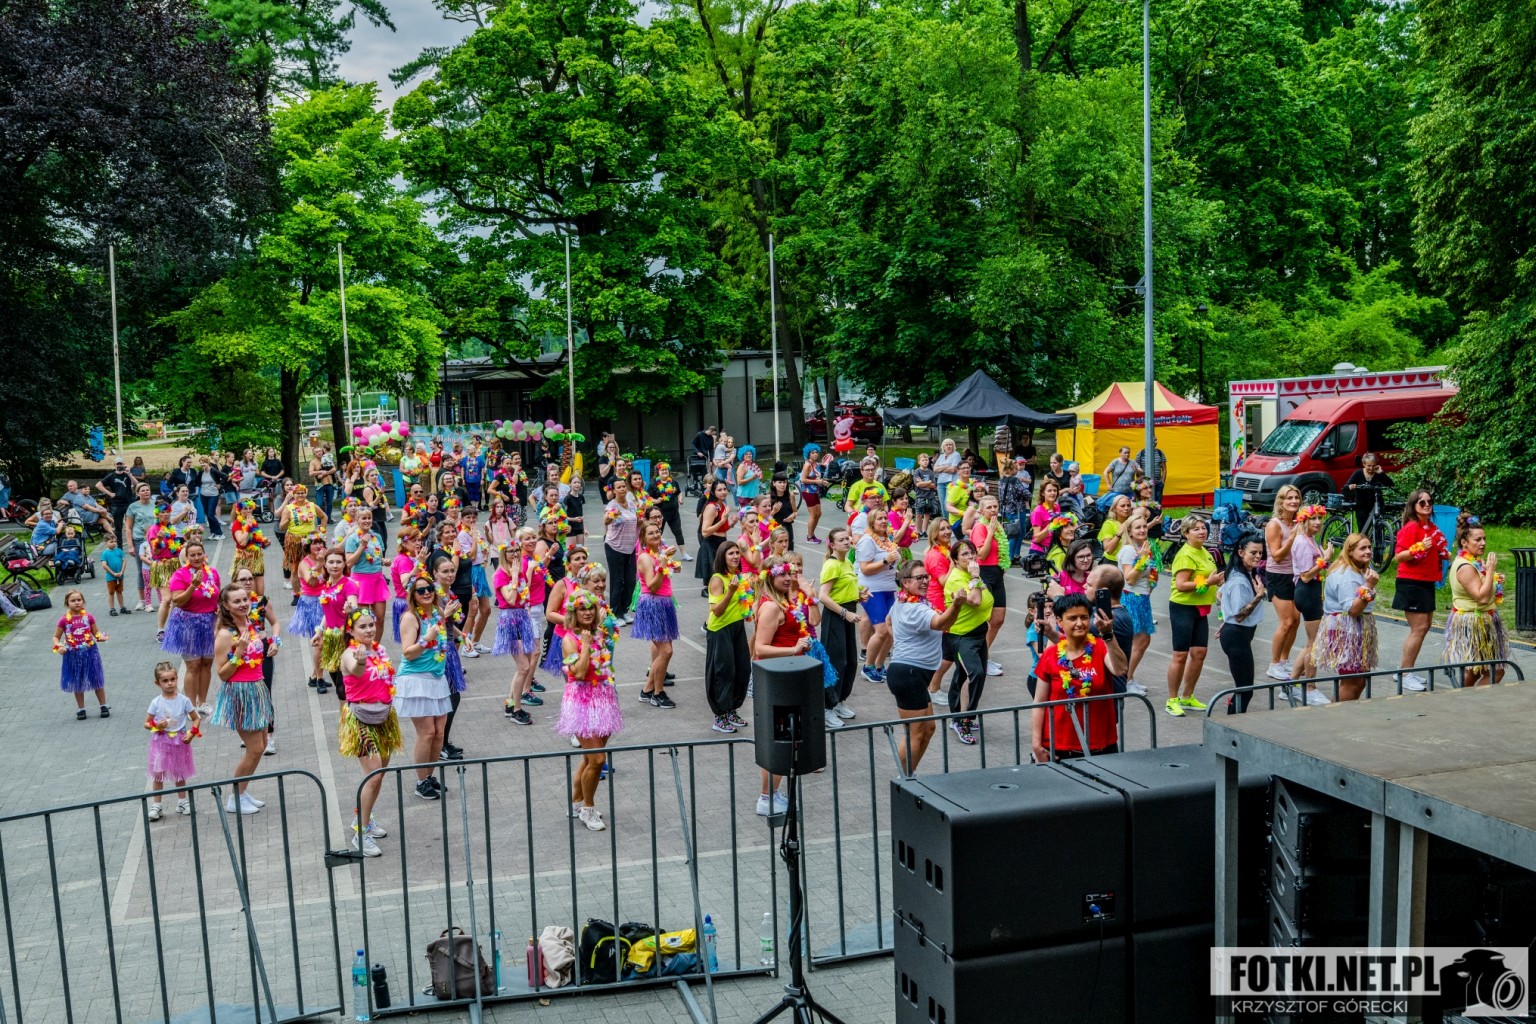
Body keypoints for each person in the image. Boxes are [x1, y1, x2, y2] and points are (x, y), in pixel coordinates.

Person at [1030, 593, 1128, 761]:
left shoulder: (1100, 648)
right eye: (1072, 618)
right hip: (1058, 747)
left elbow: (1120, 670)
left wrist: (1108, 635)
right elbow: (1039, 703)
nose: (1079, 623)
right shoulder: (1050, 655)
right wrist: (1036, 745)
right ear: (1059, 621)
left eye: (1084, 617)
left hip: (1100, 746)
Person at [887, 560, 963, 774]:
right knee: (915, 733)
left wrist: (900, 641)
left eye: (926, 577)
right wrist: (957, 605)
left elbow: (888, 621)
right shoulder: (915, 609)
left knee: (928, 728)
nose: (924, 581)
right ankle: (902, 779)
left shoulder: (902, 602)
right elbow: (942, 623)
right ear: (905, 582)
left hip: (915, 675)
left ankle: (909, 774)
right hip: (908, 675)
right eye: (918, 578)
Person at [336, 607, 401, 856]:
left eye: (371, 625)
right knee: (373, 777)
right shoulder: (349, 654)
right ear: (351, 631)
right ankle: (361, 835)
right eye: (362, 626)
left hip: (383, 717)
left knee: (379, 774)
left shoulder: (380, 650)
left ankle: (363, 818)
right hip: (360, 720)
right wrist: (361, 661)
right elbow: (356, 670)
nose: (369, 629)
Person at [558, 590, 624, 832]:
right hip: (581, 702)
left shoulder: (599, 633)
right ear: (573, 613)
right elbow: (579, 673)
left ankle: (576, 804)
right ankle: (588, 809)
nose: (587, 612)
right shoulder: (569, 640)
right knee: (597, 759)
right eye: (581, 609)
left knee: (589, 758)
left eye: (590, 608)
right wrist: (585, 645)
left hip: (603, 699)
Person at [752, 556, 811, 812]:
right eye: (782, 574)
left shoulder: (783, 602)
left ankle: (772, 795)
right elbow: (760, 648)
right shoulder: (772, 608)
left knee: (785, 738)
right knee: (781, 739)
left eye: (789, 573)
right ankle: (767, 797)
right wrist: (793, 650)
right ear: (770, 577)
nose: (788, 578)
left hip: (786, 676)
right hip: (777, 680)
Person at [209, 583, 271, 813]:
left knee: (262, 746)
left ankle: (242, 792)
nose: (243, 604)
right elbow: (222, 674)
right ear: (226, 606)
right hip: (240, 693)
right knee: (254, 748)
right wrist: (239, 652)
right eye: (237, 601)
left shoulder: (249, 623)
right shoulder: (225, 634)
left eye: (245, 599)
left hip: (257, 688)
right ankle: (234, 798)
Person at [397, 570, 452, 800]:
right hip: (416, 679)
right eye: (421, 591)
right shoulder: (411, 618)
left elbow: (442, 636)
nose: (427, 593)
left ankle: (429, 776)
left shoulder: (436, 613)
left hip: (436, 678)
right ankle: (421, 782)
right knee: (427, 732)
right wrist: (425, 639)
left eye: (429, 588)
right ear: (413, 595)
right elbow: (408, 653)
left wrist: (462, 634)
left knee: (439, 733)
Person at [1390, 488, 1450, 692]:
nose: (1426, 505)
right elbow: (1399, 556)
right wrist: (1419, 548)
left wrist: (1442, 553)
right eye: (1422, 502)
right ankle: (1404, 673)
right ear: (1413, 506)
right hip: (1411, 582)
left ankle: (1406, 669)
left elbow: (1437, 547)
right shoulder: (1410, 528)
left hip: (1426, 581)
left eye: (1429, 502)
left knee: (1424, 627)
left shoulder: (1431, 528)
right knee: (1419, 628)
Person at [1165, 516, 1222, 718]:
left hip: (1200, 608)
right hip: (1183, 607)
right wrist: (1208, 582)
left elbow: (1206, 578)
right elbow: (1181, 585)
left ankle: (1187, 696)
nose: (1201, 532)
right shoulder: (1186, 554)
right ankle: (1172, 700)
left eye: (1203, 528)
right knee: (1180, 655)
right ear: (1186, 533)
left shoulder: (1204, 551)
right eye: (1196, 529)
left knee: (1199, 653)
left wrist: (1217, 583)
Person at [1313, 533, 1380, 701]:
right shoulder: (1346, 575)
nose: (1368, 551)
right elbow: (1353, 609)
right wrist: (1369, 587)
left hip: (1356, 629)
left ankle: (1347, 710)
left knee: (1360, 680)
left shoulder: (1358, 569)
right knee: (1351, 682)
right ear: (1350, 551)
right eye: (1362, 548)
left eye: (1369, 547)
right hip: (1345, 630)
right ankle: (1338, 713)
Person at [1444, 514, 1508, 688]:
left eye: (1484, 538)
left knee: (1476, 670)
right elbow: (1482, 597)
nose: (1483, 543)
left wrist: (1493, 578)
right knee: (1495, 670)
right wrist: (1491, 570)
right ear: (1464, 542)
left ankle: (1464, 698)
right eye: (1478, 539)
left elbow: (1482, 585)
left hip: (1480, 619)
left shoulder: (1473, 562)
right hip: (1473, 622)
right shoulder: (1465, 567)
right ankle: (1469, 699)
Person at [942, 539, 992, 745]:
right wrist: (976, 577)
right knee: (975, 674)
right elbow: (976, 600)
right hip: (962, 636)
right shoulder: (957, 579)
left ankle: (962, 715)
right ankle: (961, 720)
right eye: (964, 554)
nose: (971, 557)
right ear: (955, 560)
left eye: (972, 552)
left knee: (965, 675)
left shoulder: (969, 574)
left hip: (979, 633)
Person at [163, 540, 221, 715]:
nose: (196, 557)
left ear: (204, 555)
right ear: (187, 557)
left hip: (209, 622)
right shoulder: (180, 575)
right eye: (192, 555)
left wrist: (219, 608)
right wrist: (193, 586)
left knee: (207, 663)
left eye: (199, 554)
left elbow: (218, 594)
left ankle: (202, 702)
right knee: (194, 665)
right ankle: (190, 707)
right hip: (188, 624)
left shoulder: (212, 573)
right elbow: (177, 600)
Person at [494, 527, 546, 721]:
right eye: (511, 551)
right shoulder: (501, 574)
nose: (515, 554)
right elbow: (509, 598)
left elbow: (525, 592)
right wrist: (515, 576)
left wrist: (525, 573)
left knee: (525, 665)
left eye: (516, 550)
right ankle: (516, 710)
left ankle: (510, 703)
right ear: (504, 554)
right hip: (510, 621)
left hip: (522, 618)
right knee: (524, 667)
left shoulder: (519, 570)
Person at [704, 541, 754, 736]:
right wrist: (731, 591)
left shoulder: (737, 576)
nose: (735, 556)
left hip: (736, 627)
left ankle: (731, 709)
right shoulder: (718, 579)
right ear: (722, 557)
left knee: (742, 669)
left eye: (737, 553)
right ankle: (720, 716)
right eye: (730, 553)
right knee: (723, 672)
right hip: (720, 630)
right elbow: (716, 611)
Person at [233, 564, 281, 755]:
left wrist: (275, 641)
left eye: (250, 579)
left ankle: (269, 736)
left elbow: (275, 623)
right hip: (239, 653)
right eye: (242, 579)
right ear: (234, 582)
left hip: (262, 651)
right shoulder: (228, 604)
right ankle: (250, 733)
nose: (247, 582)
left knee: (264, 692)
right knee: (245, 693)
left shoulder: (261, 601)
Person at [1287, 505, 1332, 704]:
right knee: (1314, 643)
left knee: (1311, 643)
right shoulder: (1303, 542)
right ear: (1304, 521)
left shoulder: (1309, 538)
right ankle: (1310, 687)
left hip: (1311, 591)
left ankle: (1290, 684)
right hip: (1307, 591)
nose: (1318, 522)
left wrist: (1324, 559)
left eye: (1320, 519)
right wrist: (1325, 560)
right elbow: (1305, 575)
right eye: (1313, 518)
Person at [1219, 536, 1269, 713]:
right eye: (1253, 553)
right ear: (1241, 553)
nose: (1258, 556)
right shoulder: (1239, 580)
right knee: (1245, 689)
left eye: (1260, 553)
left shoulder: (1244, 572)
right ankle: (1232, 721)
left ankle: (1234, 720)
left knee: (1244, 688)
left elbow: (1220, 595)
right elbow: (1239, 616)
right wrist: (1258, 596)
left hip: (1237, 633)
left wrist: (1226, 619)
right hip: (1236, 636)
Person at [633, 522, 680, 708]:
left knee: (664, 650)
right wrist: (662, 565)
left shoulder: (658, 554)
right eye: (651, 533)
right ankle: (658, 693)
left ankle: (647, 690)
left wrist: (670, 564)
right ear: (643, 538)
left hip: (664, 604)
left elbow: (665, 574)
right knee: (666, 651)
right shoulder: (645, 558)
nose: (656, 535)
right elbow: (652, 586)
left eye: (657, 532)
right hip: (653, 605)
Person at [144, 661, 198, 820]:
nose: (169, 683)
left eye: (172, 679)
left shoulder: (184, 700)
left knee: (180, 772)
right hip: (161, 742)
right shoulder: (156, 702)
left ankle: (182, 801)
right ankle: (157, 805)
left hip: (179, 741)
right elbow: (146, 723)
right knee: (158, 773)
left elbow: (196, 718)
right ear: (158, 683)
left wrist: (192, 733)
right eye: (165, 681)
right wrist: (156, 725)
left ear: (177, 679)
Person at [855, 509, 900, 684]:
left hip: (889, 588)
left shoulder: (886, 539)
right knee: (881, 630)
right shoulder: (867, 541)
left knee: (891, 631)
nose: (883, 521)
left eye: (885, 518)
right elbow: (865, 568)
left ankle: (879, 665)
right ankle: (868, 667)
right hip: (873, 590)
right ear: (871, 522)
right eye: (879, 519)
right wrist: (886, 560)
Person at [1264, 485, 1303, 684]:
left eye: (1296, 497)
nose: (1294, 501)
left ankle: (1284, 660)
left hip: (1295, 576)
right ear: (1281, 501)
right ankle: (1274, 664)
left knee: (1295, 621)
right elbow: (1277, 556)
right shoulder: (1274, 525)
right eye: (1289, 498)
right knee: (1286, 622)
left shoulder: (1298, 522)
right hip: (1278, 575)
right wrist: (1293, 537)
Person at [1114, 512, 1158, 690]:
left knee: (1142, 641)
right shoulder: (1129, 550)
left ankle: (1128, 678)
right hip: (1132, 599)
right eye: (1138, 527)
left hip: (1142, 599)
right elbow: (1130, 579)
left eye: (1144, 526)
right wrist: (1143, 560)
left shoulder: (1143, 548)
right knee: (1139, 642)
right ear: (1130, 532)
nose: (1142, 530)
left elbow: (1150, 576)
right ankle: (1125, 680)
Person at [53, 589, 109, 719]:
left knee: (96, 678)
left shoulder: (88, 617)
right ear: (67, 603)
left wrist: (101, 637)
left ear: (83, 601)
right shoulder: (63, 620)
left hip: (90, 652)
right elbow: (56, 637)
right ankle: (81, 709)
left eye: (79, 600)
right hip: (72, 655)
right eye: (73, 600)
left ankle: (103, 706)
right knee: (76, 681)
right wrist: (59, 645)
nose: (77, 602)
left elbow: (96, 633)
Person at [969, 495, 1008, 676]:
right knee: (986, 620)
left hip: (997, 573)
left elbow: (1001, 551)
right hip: (984, 573)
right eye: (989, 507)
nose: (993, 510)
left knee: (998, 619)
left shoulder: (997, 525)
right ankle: (982, 658)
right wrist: (990, 532)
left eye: (995, 507)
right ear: (981, 510)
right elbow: (981, 555)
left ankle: (983, 654)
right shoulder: (980, 527)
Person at [288, 535, 330, 691]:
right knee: (319, 642)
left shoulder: (327, 559)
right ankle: (319, 679)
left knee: (325, 642)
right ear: (307, 547)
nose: (318, 546)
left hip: (326, 602)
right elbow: (311, 582)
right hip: (312, 605)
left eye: (320, 543)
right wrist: (319, 564)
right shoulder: (304, 564)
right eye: (314, 543)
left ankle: (314, 676)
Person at [602, 477, 641, 623]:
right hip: (614, 547)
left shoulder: (631, 504)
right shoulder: (612, 505)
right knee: (618, 581)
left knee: (630, 581)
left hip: (630, 547)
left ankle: (624, 611)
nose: (622, 489)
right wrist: (611, 516)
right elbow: (606, 520)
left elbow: (637, 522)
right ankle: (614, 614)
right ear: (613, 490)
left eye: (624, 486)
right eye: (619, 487)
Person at [278, 485, 326, 591]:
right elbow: (281, 527)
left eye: (302, 493)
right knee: (295, 569)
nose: (300, 495)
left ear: (306, 494)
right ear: (293, 495)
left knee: (313, 564)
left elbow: (324, 517)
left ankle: (312, 589)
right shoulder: (289, 508)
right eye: (298, 493)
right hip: (294, 541)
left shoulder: (312, 506)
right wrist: (288, 520)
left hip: (310, 541)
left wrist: (320, 532)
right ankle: (296, 594)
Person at [695, 479, 735, 592]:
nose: (723, 492)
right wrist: (722, 521)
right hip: (711, 542)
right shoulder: (711, 507)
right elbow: (705, 531)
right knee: (713, 572)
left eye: (725, 489)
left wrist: (731, 524)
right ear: (713, 492)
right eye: (719, 490)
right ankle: (707, 591)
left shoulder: (722, 504)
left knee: (721, 571)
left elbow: (722, 529)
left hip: (721, 541)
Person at [124, 483, 158, 611]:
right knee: (142, 571)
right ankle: (142, 600)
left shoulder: (156, 505)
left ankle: (162, 598)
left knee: (158, 568)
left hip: (155, 541)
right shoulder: (132, 507)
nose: (146, 492)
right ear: (137, 493)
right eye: (142, 490)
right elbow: (128, 527)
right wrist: (130, 546)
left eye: (147, 490)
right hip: (139, 540)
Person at [1343, 453, 1395, 531]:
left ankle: (1378, 538)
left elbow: (1391, 485)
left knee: (1379, 527)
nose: (1371, 468)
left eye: (1373, 465)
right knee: (1363, 528)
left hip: (1377, 503)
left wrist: (1381, 473)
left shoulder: (1378, 474)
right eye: (1369, 466)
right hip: (1362, 504)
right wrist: (1350, 486)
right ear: (1364, 464)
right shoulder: (1358, 473)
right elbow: (1345, 486)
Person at [648, 462, 689, 557]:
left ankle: (684, 554)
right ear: (658, 472)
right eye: (662, 470)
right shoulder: (653, 484)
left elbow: (679, 492)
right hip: (659, 515)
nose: (664, 471)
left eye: (666, 469)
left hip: (674, 513)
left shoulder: (673, 483)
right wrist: (656, 501)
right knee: (657, 533)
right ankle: (656, 553)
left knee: (678, 532)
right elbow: (648, 497)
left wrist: (680, 499)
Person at [97, 459, 138, 546]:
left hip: (129, 502)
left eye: (121, 463)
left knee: (132, 525)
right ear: (115, 465)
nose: (119, 465)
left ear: (124, 464)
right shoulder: (111, 476)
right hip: (117, 504)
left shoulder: (127, 474)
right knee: (118, 527)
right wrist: (109, 493)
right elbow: (98, 485)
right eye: (118, 464)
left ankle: (134, 545)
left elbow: (136, 484)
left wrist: (129, 474)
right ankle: (119, 547)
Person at [1096, 446, 1140, 511]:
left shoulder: (1132, 462)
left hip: (1130, 491)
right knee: (1116, 508)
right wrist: (1108, 484)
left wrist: (1136, 470)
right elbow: (1105, 472)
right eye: (1125, 453)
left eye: (1128, 453)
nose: (1127, 454)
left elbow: (1141, 472)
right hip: (1117, 491)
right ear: (1120, 453)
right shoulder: (1115, 462)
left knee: (1129, 508)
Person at [800, 444, 827, 543]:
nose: (815, 454)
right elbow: (803, 479)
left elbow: (816, 477)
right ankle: (809, 537)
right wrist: (817, 481)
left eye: (816, 452)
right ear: (808, 454)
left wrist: (822, 481)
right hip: (808, 491)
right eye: (812, 453)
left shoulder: (816, 464)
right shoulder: (807, 465)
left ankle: (812, 534)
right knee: (813, 514)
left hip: (815, 491)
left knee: (818, 514)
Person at [911, 452, 941, 539]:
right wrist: (928, 482)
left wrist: (923, 483)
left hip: (929, 496)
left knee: (927, 514)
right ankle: (918, 531)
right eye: (923, 460)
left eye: (926, 460)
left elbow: (933, 485)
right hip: (920, 496)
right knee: (918, 514)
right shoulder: (917, 472)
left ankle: (924, 531)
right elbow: (918, 484)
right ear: (919, 462)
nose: (925, 461)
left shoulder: (930, 472)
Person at [768, 474, 798, 550]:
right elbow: (763, 518)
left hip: (787, 526)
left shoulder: (790, 495)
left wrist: (792, 516)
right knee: (776, 550)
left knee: (789, 549)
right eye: (780, 482)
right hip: (774, 527)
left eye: (784, 482)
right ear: (774, 483)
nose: (782, 485)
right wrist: (773, 511)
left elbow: (795, 511)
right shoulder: (768, 498)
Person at [101, 534, 127, 616]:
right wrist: (113, 573)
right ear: (106, 542)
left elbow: (124, 561)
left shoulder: (119, 551)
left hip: (120, 575)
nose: (114, 543)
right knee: (111, 592)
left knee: (119, 591)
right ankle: (112, 609)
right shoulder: (105, 553)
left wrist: (122, 571)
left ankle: (122, 607)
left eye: (115, 541)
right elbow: (104, 565)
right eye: (111, 542)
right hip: (111, 577)